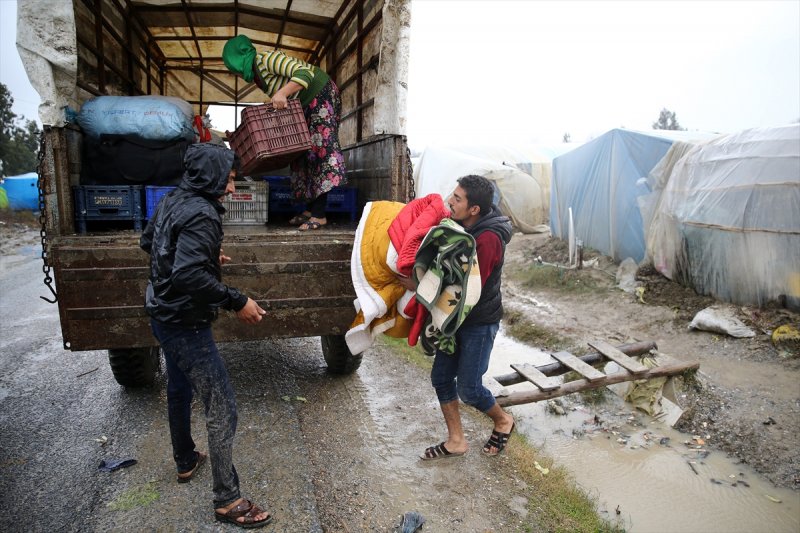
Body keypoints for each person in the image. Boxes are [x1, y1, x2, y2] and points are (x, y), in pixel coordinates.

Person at [140, 143, 272, 528]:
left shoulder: (172, 199)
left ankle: (185, 460)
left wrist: (202, 256)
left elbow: (149, 242)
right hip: (185, 323)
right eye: (228, 179)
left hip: (160, 313)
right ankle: (228, 500)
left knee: (179, 387)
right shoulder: (203, 213)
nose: (231, 188)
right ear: (211, 175)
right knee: (222, 407)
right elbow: (187, 276)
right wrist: (238, 300)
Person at [400, 175, 515, 460]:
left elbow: (466, 290)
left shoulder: (488, 240)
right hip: (454, 318)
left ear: (474, 209)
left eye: (457, 199)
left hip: (478, 322)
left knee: (470, 389)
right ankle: (456, 441)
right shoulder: (462, 226)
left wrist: (420, 285)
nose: (450, 201)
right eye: (453, 195)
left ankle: (503, 421)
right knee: (441, 377)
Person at [222, 34, 346, 231]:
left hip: (320, 96)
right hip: (303, 105)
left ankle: (319, 214)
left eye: (232, 67)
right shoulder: (258, 75)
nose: (235, 73)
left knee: (319, 151)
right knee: (302, 153)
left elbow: (305, 72)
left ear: (237, 58)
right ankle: (309, 210)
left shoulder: (265, 59)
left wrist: (282, 93)